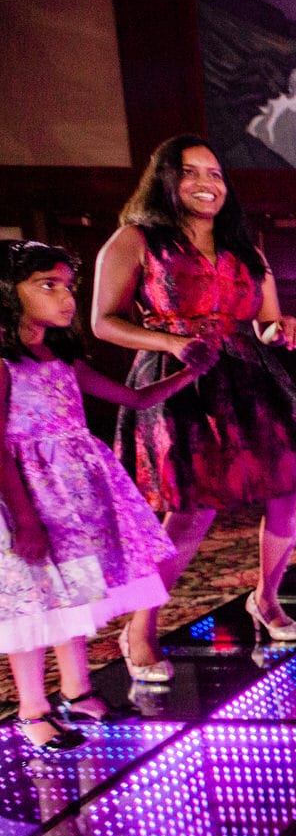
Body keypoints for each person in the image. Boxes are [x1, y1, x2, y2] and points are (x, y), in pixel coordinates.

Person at [92, 134, 296, 677]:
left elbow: (266, 323)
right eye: (192, 172)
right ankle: (141, 628)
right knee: (191, 510)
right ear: (166, 180)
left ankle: (266, 598)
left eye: (216, 174)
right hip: (182, 380)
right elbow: (103, 321)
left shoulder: (246, 248)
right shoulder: (136, 240)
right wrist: (171, 342)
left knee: (289, 492)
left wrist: (282, 328)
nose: (208, 183)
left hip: (252, 378)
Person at [0, 241, 205, 749]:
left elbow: (134, 398)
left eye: (68, 285)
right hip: (28, 495)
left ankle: (77, 689)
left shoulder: (59, 355)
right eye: (47, 285)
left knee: (74, 593)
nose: (66, 297)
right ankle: (32, 709)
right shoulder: (3, 363)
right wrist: (24, 518)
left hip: (75, 498)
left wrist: (190, 372)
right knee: (32, 606)